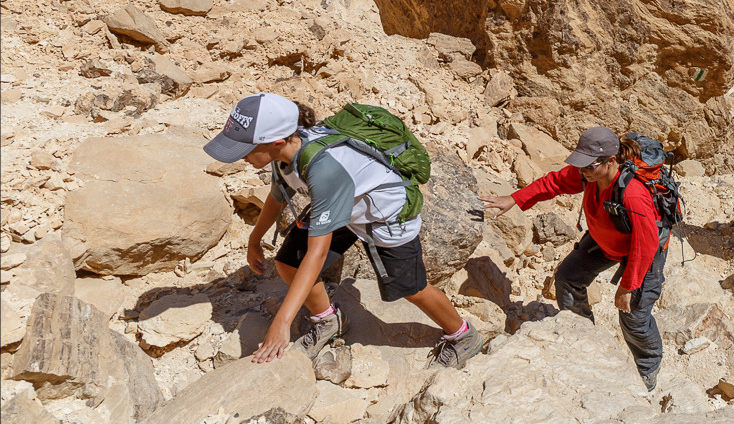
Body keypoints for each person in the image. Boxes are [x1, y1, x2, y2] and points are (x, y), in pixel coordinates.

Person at [203, 92, 483, 368]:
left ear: (276, 142)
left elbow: (318, 252)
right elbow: (277, 198)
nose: (240, 157)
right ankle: (327, 320)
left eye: (245, 149)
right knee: (289, 263)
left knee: (411, 288)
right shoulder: (282, 156)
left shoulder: (323, 169)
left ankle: (463, 335)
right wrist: (254, 240)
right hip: (344, 205)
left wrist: (282, 323)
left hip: (384, 215)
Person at [481, 127, 669, 392]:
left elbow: (646, 243)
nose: (582, 170)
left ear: (611, 161)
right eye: (580, 164)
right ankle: (583, 335)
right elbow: (553, 183)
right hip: (608, 239)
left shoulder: (633, 194)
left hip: (642, 250)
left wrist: (627, 286)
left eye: (588, 165)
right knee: (568, 279)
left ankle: (647, 370)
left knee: (633, 315)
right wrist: (514, 198)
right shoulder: (588, 175)